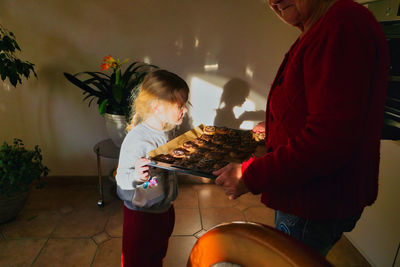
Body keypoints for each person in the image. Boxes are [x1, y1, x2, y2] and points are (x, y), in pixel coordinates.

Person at [214, 0, 389, 257]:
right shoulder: (322, 28)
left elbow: (328, 140)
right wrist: (275, 127)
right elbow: (318, 109)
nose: (273, 1)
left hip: (312, 200)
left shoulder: (341, 25)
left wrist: (250, 175)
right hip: (308, 193)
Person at [115, 69, 189, 267]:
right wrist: (137, 176)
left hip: (162, 210)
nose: (185, 110)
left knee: (155, 257)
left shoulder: (166, 132)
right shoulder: (138, 139)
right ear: (156, 107)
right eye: (180, 105)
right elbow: (121, 178)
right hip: (141, 218)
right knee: (137, 261)